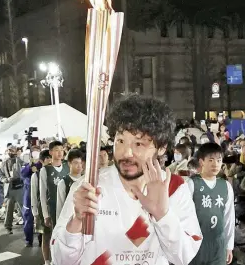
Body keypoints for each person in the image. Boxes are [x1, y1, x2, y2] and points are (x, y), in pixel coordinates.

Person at [51, 94, 202, 265]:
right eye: (120, 141)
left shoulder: (174, 188)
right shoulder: (89, 187)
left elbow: (183, 257)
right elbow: (60, 260)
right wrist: (77, 221)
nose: (126, 153)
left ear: (161, 148)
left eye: (138, 144)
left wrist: (162, 215)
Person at [187, 142, 235, 265]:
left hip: (218, 244)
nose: (215, 164)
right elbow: (184, 216)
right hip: (196, 243)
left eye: (219, 160)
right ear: (201, 161)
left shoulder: (225, 186)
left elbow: (229, 218)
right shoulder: (191, 184)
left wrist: (229, 246)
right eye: (211, 160)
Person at [39, 141, 69, 230]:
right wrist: (45, 215)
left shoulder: (67, 167)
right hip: (53, 207)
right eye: (56, 150)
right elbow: (43, 194)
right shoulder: (45, 170)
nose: (60, 152)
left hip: (67, 206)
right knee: (55, 234)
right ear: (50, 152)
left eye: (61, 150)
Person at [0, 145, 25, 234]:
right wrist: (5, 180)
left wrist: (18, 157)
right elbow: (0, 174)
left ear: (16, 151)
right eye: (9, 151)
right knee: (9, 209)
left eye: (12, 150)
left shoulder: (20, 160)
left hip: (20, 188)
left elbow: (25, 167)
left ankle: (28, 225)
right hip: (9, 189)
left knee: (23, 208)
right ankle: (8, 226)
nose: (10, 152)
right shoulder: (4, 163)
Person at [31, 150, 52, 264]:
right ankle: (47, 261)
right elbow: (34, 195)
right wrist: (35, 213)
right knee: (45, 236)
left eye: (50, 158)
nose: (50, 161)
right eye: (47, 159)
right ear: (41, 161)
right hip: (41, 208)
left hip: (55, 208)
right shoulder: (36, 175)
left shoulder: (56, 172)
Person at [20, 147, 42, 247]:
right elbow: (23, 174)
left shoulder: (43, 165)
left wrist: (37, 168)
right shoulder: (27, 164)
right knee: (28, 217)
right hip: (28, 194)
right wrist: (30, 166)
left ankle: (41, 239)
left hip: (40, 193)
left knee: (41, 217)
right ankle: (29, 240)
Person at [56, 149, 83, 221]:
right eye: (76, 163)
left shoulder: (86, 180)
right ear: (69, 164)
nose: (79, 166)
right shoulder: (63, 183)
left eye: (81, 163)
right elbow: (60, 207)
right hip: (68, 221)